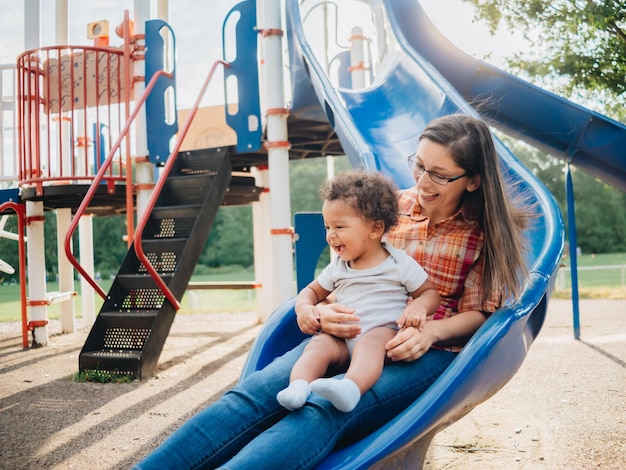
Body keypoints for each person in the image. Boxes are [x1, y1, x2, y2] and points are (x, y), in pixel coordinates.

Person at [133, 114, 531, 469]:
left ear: (474, 180)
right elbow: (342, 268)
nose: (422, 182)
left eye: (439, 175)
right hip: (344, 331)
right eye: (419, 165)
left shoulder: (486, 233)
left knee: (324, 409)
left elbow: (481, 314)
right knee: (253, 396)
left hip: (420, 353)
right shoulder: (387, 209)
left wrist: (429, 331)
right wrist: (320, 312)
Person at [276, 170, 440, 413]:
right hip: (342, 339)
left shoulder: (398, 264)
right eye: (327, 227)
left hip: (382, 333)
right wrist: (304, 308)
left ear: (375, 230)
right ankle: (298, 387)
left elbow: (430, 293)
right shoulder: (338, 267)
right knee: (318, 345)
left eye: (339, 226)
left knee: (371, 343)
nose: (331, 235)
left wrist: (419, 306)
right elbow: (310, 291)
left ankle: (351, 389)